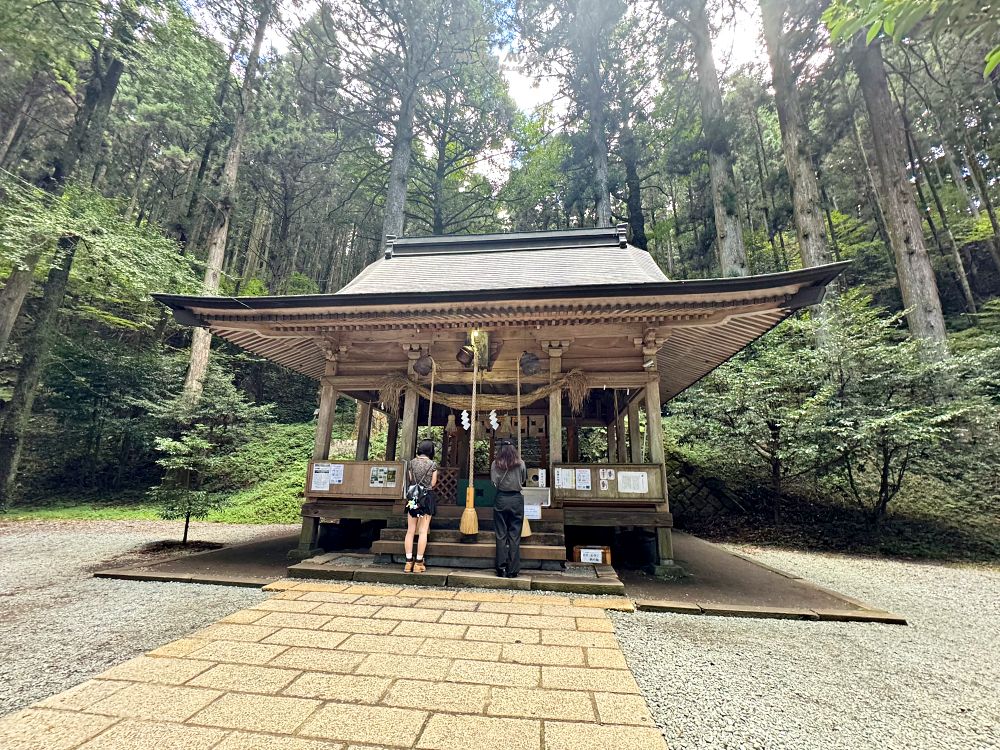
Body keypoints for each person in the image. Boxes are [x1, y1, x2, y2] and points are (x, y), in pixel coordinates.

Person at [491, 438, 527, 578]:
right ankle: (513, 570)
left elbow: (494, 482)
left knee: (500, 534)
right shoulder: (521, 463)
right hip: (516, 499)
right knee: (514, 535)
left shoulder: (495, 464)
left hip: (501, 498)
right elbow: (523, 479)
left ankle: (500, 568)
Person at [404, 439, 438, 573]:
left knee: (410, 530)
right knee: (423, 530)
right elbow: (433, 483)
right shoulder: (432, 464)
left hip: (413, 497)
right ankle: (418, 562)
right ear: (431, 450)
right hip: (426, 497)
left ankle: (408, 562)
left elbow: (411, 479)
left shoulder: (412, 463)